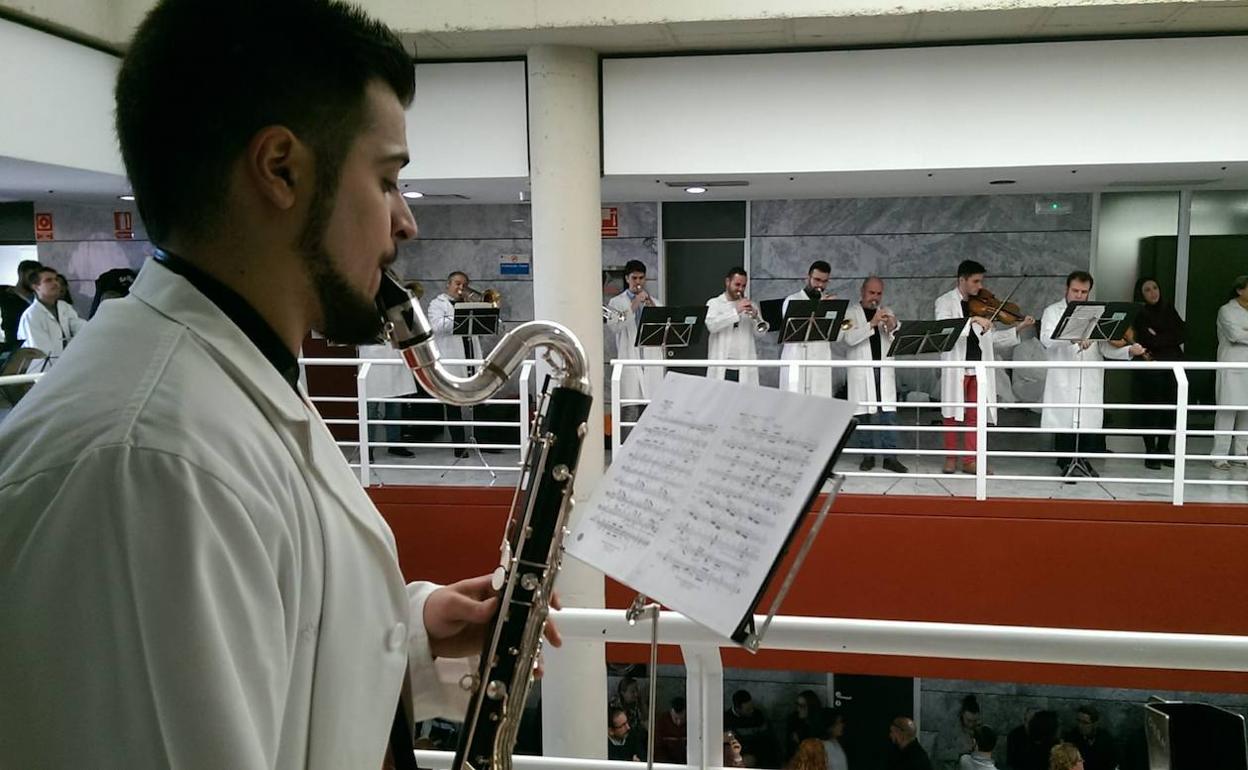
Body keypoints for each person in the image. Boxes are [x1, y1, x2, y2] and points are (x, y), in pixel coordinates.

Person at [0, 3, 525, 767]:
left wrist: (413, 631)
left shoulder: (226, 372)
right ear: (280, 169)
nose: (405, 223)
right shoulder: (147, 465)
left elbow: (260, 669)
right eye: (387, 181)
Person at [1039, 271, 1143, 477]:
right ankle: (1066, 462)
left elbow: (1104, 348)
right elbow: (1046, 339)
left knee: (1086, 421)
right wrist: (1072, 338)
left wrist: (1129, 351)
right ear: (1066, 289)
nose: (1079, 295)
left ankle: (1082, 460)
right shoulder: (1053, 311)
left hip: (1089, 375)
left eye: (1083, 292)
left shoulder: (1097, 312)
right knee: (1065, 421)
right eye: (1075, 290)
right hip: (1064, 376)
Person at [935, 260, 1034, 474]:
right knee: (950, 413)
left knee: (975, 414)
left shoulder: (981, 305)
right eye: (975, 281)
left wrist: (1018, 328)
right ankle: (950, 458)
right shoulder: (944, 302)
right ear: (962, 280)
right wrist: (971, 321)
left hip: (978, 367)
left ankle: (970, 460)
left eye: (981, 281)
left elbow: (992, 339)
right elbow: (943, 329)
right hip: (956, 366)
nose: (979, 286)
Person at [844, 275, 907, 472]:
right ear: (862, 292)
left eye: (879, 293)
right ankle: (868, 456)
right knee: (864, 415)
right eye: (872, 292)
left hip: (883, 370)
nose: (875, 297)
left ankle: (890, 457)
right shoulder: (849, 313)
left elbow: (897, 337)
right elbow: (848, 339)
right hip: (862, 372)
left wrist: (893, 325)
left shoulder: (887, 311)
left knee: (888, 414)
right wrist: (871, 324)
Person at [1130, 277, 1185, 469]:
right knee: (1151, 409)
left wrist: (1159, 336)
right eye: (1147, 290)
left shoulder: (1168, 309)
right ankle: (1151, 451)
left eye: (1155, 287)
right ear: (1140, 294)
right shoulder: (1139, 313)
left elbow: (1182, 333)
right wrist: (1165, 338)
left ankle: (1164, 448)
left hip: (1173, 367)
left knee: (1170, 409)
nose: (1153, 292)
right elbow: (1146, 339)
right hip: (1151, 367)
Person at [427, 270, 482, 458]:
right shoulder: (437, 304)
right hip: (451, 358)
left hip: (470, 356)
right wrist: (462, 314)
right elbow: (436, 326)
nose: (461, 288)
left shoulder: (469, 303)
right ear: (448, 284)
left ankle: (485, 441)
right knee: (453, 404)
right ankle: (459, 446)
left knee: (479, 399)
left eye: (464, 285)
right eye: (457, 283)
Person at [606, 259, 664, 429]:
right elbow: (615, 325)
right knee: (630, 413)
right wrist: (635, 304)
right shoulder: (616, 303)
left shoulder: (654, 301)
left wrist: (651, 305)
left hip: (650, 363)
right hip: (630, 361)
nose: (638, 282)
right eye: (634, 278)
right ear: (627, 279)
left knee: (651, 412)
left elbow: (663, 327)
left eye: (641, 278)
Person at [781, 260, 836, 397]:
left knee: (820, 405)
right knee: (794, 403)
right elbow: (794, 329)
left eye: (824, 281)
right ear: (808, 278)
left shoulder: (830, 301)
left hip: (820, 360)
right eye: (817, 280)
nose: (820, 285)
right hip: (797, 359)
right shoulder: (792, 300)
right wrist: (820, 308)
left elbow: (837, 333)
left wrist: (835, 311)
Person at [705, 266, 767, 385]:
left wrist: (755, 317)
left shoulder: (751, 305)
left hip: (744, 366)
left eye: (743, 286)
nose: (740, 289)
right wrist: (736, 311)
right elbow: (712, 326)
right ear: (727, 282)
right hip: (723, 366)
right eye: (737, 284)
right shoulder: (714, 303)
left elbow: (761, 333)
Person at [16, 266, 86, 365]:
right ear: (36, 287)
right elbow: (42, 352)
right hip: (43, 370)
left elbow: (81, 328)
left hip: (67, 365)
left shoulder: (65, 307)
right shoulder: (31, 316)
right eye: (49, 280)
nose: (56, 283)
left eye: (56, 279)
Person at [1212, 274, 1248, 469]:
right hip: (1232, 366)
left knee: (1247, 413)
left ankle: (1242, 454)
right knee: (1227, 412)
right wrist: (1242, 332)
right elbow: (1235, 335)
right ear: (1239, 290)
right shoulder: (1226, 310)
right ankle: (1219, 455)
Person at [726, 688, 777, 767]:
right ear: (737, 709)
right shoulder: (727, 719)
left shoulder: (757, 715)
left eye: (752, 707)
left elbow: (768, 738)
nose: (752, 711)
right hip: (741, 757)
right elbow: (729, 745)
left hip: (759, 753)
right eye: (748, 709)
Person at [0, 259, 42, 355]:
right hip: (12, 349)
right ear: (21, 274)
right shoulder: (5, 297)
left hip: (36, 348)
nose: (35, 280)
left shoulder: (39, 300)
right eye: (32, 275)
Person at [937, 694, 982, 768]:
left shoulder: (979, 728)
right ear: (962, 714)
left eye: (974, 721)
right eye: (968, 720)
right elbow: (940, 753)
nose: (971, 724)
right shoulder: (948, 727)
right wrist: (961, 751)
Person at [1065, 706, 1116, 770]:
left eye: (1085, 723)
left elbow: (1112, 762)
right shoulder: (1071, 738)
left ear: (1095, 724)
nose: (1080, 726)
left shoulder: (1106, 739)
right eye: (1078, 721)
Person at [788, 690, 827, 760]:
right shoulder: (793, 721)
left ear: (811, 707)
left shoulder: (820, 725)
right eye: (797, 705)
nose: (798, 709)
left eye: (802, 706)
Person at [653, 696, 688, 764]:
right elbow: (657, 749)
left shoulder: (692, 723)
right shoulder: (662, 722)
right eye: (676, 719)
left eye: (682, 719)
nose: (679, 722)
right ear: (671, 712)